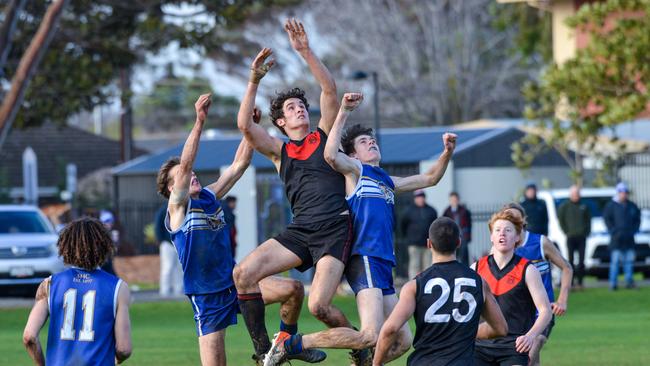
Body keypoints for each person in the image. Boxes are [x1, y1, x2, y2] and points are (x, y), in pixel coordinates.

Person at [264, 94, 457, 365]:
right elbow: (330, 154)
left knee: (402, 341)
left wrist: (447, 152)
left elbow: (430, 178)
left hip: (382, 262)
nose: (371, 143)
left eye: (372, 140)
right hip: (364, 257)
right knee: (369, 336)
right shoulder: (355, 172)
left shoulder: (387, 180)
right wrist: (343, 111)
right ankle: (294, 343)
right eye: (364, 142)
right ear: (353, 155)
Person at [156, 93, 320, 366]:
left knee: (293, 289)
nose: (192, 175)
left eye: (193, 173)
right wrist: (199, 122)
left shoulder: (209, 196)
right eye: (184, 176)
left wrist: (250, 132)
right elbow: (185, 165)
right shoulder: (177, 210)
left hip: (235, 284)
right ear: (172, 188)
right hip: (207, 297)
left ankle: (282, 346)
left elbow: (239, 165)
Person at [233, 19, 353, 364]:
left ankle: (361, 347)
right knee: (243, 274)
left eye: (301, 105)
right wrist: (254, 80)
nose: (299, 108)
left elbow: (329, 90)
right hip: (302, 230)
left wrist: (304, 51)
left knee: (321, 307)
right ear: (281, 123)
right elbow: (244, 126)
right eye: (290, 108)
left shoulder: (323, 136)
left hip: (334, 228)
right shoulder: (278, 150)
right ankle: (265, 352)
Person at [373, 217, 508, 366]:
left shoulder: (414, 286)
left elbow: (390, 329)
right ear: (459, 242)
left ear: (429, 244)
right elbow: (501, 328)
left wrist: (376, 363)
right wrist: (466, 333)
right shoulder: (479, 282)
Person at [23, 217, 132, 365]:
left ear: (66, 246)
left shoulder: (49, 284)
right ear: (104, 246)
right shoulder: (118, 288)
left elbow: (29, 337)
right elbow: (124, 349)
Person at [473, 209, 552, 366]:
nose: (502, 234)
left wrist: (530, 336)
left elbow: (545, 311)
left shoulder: (528, 270)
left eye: (508, 230)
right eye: (497, 230)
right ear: (491, 237)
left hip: (514, 347)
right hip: (479, 347)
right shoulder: (475, 268)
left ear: (517, 237)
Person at [504, 202, 573, 366]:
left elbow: (567, 268)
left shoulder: (540, 242)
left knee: (528, 353)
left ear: (523, 221)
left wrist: (562, 300)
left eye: (515, 218)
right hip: (516, 316)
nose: (512, 220)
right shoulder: (501, 249)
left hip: (541, 313)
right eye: (508, 218)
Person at [603, 182, 641, 290]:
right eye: (622, 192)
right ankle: (613, 284)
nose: (624, 194)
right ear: (618, 193)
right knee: (614, 263)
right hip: (616, 240)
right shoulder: (611, 206)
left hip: (629, 239)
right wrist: (613, 231)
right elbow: (607, 219)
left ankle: (629, 282)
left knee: (629, 262)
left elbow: (637, 219)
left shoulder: (632, 206)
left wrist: (634, 230)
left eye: (625, 192)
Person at [557, 185, 591, 289]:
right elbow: (561, 220)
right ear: (570, 195)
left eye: (577, 194)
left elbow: (588, 221)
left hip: (581, 237)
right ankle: (570, 283)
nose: (576, 196)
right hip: (570, 237)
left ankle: (580, 282)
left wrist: (586, 232)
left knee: (581, 261)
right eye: (574, 194)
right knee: (570, 261)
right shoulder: (565, 206)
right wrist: (566, 231)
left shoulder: (584, 206)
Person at [401, 189, 438, 279]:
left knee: (428, 266)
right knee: (414, 265)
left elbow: (435, 226)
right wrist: (409, 238)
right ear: (415, 199)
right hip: (414, 244)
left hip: (428, 244)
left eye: (422, 197)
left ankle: (427, 284)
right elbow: (403, 225)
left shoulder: (431, 210)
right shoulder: (408, 211)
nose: (420, 199)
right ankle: (413, 284)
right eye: (418, 197)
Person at [155, 204, 184, 297]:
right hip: (167, 243)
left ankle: (179, 290)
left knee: (179, 268)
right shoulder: (164, 210)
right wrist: (161, 240)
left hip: (179, 242)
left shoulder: (182, 208)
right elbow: (158, 225)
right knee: (167, 268)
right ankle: (164, 291)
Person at [443, 191, 472, 265]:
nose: (454, 201)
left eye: (455, 200)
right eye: (452, 200)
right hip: (451, 238)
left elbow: (469, 225)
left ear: (458, 200)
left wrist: (468, 236)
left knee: (464, 257)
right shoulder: (446, 212)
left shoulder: (464, 211)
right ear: (450, 200)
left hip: (462, 237)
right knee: (453, 256)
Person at [99, 209, 118, 275]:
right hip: (101, 262)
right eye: (107, 222)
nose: (110, 224)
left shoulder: (112, 233)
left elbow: (114, 250)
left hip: (107, 261)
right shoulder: (100, 233)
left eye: (111, 222)